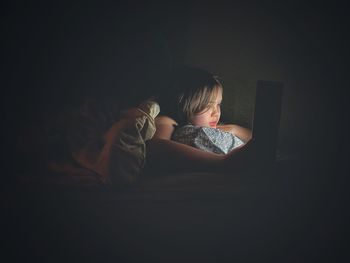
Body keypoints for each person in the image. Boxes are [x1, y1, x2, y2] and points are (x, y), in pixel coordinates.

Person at [145, 66, 256, 173]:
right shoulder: (167, 120)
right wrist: (223, 162)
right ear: (185, 102)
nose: (216, 112)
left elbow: (256, 137)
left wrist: (232, 129)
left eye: (218, 104)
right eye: (208, 105)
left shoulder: (212, 126)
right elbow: (157, 147)